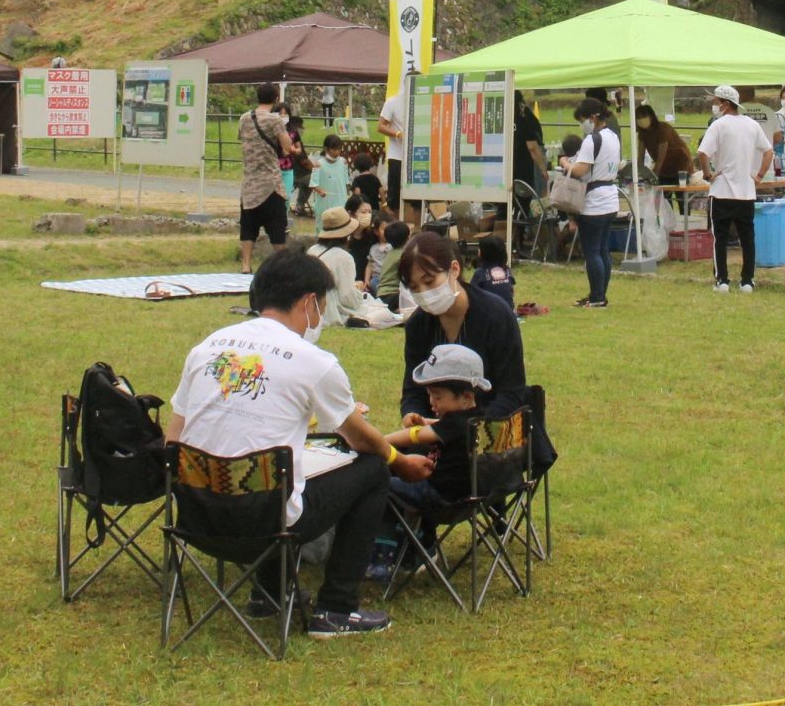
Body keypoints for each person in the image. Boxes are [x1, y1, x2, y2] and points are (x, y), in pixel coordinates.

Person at [167, 247, 428, 638]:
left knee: (274, 470)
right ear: (309, 303)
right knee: (372, 470)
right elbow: (358, 437)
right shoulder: (314, 362)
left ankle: (268, 594)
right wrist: (397, 459)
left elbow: (173, 440)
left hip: (196, 518)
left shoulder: (207, 348)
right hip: (264, 524)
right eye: (322, 307)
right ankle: (337, 608)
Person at [396, 234, 552, 474]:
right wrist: (412, 414)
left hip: (492, 438)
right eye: (414, 288)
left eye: (429, 281)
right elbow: (413, 390)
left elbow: (511, 393)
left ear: (454, 270)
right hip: (436, 438)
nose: (424, 293)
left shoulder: (495, 315)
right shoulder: (419, 324)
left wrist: (466, 428)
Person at [382, 344, 489, 513]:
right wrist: (426, 422)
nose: (432, 402)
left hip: (439, 496)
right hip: (469, 495)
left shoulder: (454, 423)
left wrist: (380, 441)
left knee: (377, 482)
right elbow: (443, 428)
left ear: (466, 397)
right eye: (429, 395)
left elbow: (414, 436)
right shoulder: (478, 416)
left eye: (438, 397)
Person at [697, 85, 771, 294]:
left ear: (725, 104)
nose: (714, 105)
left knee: (720, 239)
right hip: (746, 192)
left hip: (721, 191)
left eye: (716, 102)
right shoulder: (752, 125)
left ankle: (722, 280)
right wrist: (759, 175)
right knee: (747, 238)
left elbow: (702, 153)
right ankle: (747, 281)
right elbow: (768, 151)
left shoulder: (718, 125)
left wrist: (708, 174)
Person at [563, 97, 622, 308]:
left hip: (594, 202)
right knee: (602, 250)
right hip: (610, 198)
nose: (582, 124)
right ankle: (599, 294)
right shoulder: (613, 136)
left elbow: (580, 170)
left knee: (592, 251)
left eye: (583, 120)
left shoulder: (592, 139)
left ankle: (597, 297)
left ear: (593, 117)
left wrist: (565, 162)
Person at [236, 83, 299, 274]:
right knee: (277, 229)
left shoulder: (244, 118)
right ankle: (283, 266)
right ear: (276, 99)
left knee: (248, 227)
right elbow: (287, 147)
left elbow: (242, 139)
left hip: (249, 183)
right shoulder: (275, 120)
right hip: (271, 183)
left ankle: (246, 265)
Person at [306, 207, 366, 327]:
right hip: (330, 309)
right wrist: (358, 291)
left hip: (310, 305)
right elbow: (347, 296)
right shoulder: (344, 257)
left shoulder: (312, 250)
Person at [633, 102, 692, 183]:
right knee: (662, 189)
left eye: (644, 116)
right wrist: (638, 175)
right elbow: (641, 156)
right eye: (638, 117)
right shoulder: (642, 134)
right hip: (664, 168)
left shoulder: (663, 128)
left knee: (679, 189)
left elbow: (661, 156)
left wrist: (653, 175)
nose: (641, 119)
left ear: (651, 116)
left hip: (680, 165)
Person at [512, 92, 548, 197]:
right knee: (527, 197)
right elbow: (533, 147)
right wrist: (543, 169)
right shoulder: (526, 118)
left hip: (508, 166)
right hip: (525, 166)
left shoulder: (503, 118)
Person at [378, 87, 407, 213]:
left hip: (417, 155)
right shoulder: (393, 102)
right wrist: (397, 133)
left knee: (416, 197)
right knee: (394, 194)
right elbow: (380, 126)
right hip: (397, 155)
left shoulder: (424, 101)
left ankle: (415, 222)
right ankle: (393, 220)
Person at [370, 218, 411, 304]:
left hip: (382, 293)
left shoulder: (390, 252)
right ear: (408, 237)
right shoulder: (404, 255)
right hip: (392, 294)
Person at [311, 134, 350, 221]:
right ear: (326, 148)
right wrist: (320, 191)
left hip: (341, 201)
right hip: (325, 203)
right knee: (324, 223)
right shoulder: (319, 164)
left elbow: (346, 181)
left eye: (339, 149)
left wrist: (347, 194)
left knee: (340, 223)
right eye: (334, 149)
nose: (337, 152)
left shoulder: (343, 162)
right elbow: (313, 183)